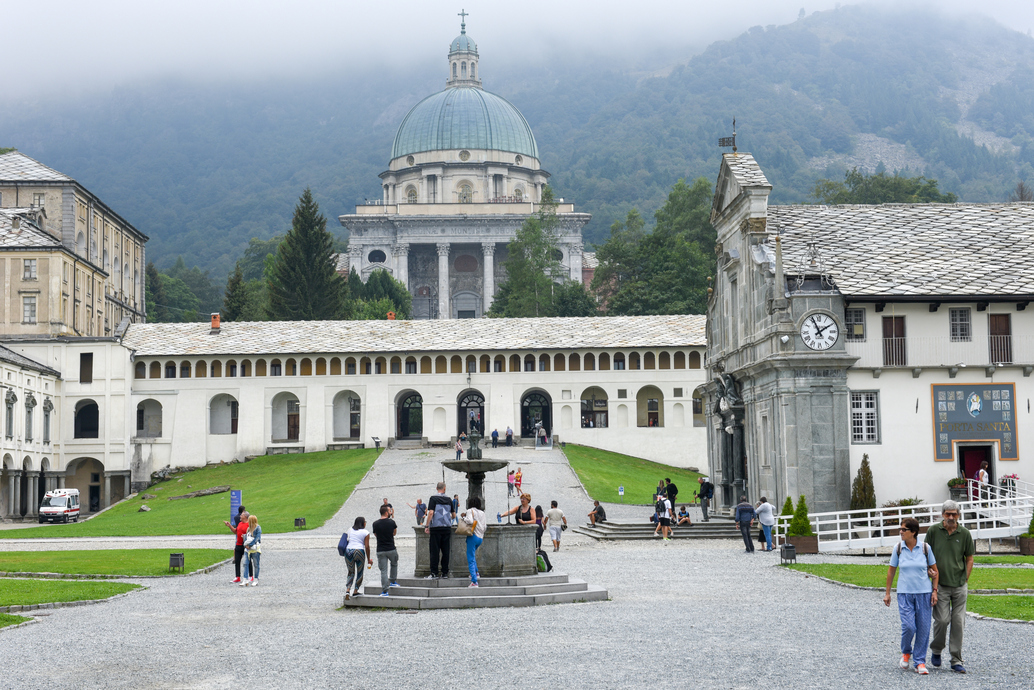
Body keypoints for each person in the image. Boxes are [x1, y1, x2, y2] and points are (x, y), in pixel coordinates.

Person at [924, 500, 974, 674]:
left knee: (959, 622)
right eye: (948, 514)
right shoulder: (933, 531)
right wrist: (930, 572)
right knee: (942, 620)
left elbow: (969, 558)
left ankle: (956, 659)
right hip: (941, 585)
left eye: (954, 514)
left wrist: (965, 578)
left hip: (959, 585)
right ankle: (937, 650)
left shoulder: (965, 533)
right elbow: (926, 554)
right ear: (942, 514)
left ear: (959, 515)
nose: (951, 517)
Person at [884, 517, 938, 675]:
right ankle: (906, 652)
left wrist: (934, 590)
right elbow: (891, 570)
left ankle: (920, 662)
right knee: (909, 626)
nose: (900, 532)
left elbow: (935, 571)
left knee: (923, 628)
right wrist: (887, 593)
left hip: (924, 593)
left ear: (913, 532)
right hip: (905, 594)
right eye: (900, 529)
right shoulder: (898, 548)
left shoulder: (925, 548)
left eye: (904, 529)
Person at [424, 481, 454, 579]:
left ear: (437, 488)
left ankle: (434, 573)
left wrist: (427, 525)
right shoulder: (449, 499)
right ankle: (445, 573)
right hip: (446, 528)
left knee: (434, 551)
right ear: (444, 488)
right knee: (445, 551)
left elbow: (431, 513)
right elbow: (453, 515)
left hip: (436, 528)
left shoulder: (433, 498)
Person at [340, 516, 372, 601]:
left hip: (348, 551)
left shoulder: (350, 529)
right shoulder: (365, 532)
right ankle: (355, 590)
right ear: (363, 523)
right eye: (365, 522)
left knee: (351, 572)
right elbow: (367, 546)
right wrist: (369, 559)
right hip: (359, 551)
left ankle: (347, 590)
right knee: (360, 571)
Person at [371, 504, 399, 597]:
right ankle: (393, 581)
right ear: (386, 513)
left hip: (381, 549)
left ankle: (385, 590)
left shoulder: (375, 523)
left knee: (383, 571)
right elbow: (394, 533)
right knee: (394, 564)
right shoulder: (391, 522)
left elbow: (376, 534)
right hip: (391, 547)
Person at [460, 497, 486, 587]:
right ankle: (476, 572)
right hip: (480, 537)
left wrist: (464, 517)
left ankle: (474, 581)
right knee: (473, 554)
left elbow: (470, 521)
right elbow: (484, 526)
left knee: (470, 558)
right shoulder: (482, 513)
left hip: (472, 536)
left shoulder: (470, 511)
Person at [224, 507, 249, 583]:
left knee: (248, 561)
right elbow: (235, 532)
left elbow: (251, 535)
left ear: (245, 516)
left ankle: (251, 576)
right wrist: (230, 526)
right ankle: (237, 577)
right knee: (237, 561)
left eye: (241, 515)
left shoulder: (248, 524)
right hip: (238, 544)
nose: (240, 516)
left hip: (246, 545)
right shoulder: (240, 523)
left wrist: (246, 538)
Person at [241, 514, 261, 586]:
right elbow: (247, 537)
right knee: (245, 563)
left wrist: (249, 545)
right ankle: (245, 579)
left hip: (255, 549)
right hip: (248, 550)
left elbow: (257, 538)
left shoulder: (258, 528)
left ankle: (256, 579)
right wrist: (245, 543)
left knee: (256, 564)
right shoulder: (249, 529)